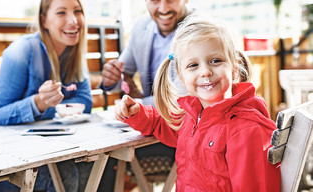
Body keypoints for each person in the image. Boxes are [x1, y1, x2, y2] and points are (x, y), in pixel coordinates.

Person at [115, 15, 281, 191]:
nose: (205, 72)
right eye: (193, 65)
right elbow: (165, 124)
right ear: (181, 76)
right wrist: (137, 113)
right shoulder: (193, 115)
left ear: (233, 67)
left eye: (215, 61)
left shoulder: (246, 128)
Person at [0, 0, 93, 192]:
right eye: (62, 12)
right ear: (44, 20)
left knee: (92, 166)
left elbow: (85, 102)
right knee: (64, 176)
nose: (73, 20)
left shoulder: (74, 55)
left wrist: (48, 108)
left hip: (32, 148)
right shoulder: (21, 51)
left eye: (78, 11)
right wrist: (37, 104)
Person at [99, 0, 191, 190]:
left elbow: (181, 100)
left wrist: (138, 104)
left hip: (182, 136)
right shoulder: (141, 26)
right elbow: (123, 71)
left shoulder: (198, 31)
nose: (163, 8)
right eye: (155, 0)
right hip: (147, 129)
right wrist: (111, 79)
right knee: (100, 158)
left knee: (106, 160)